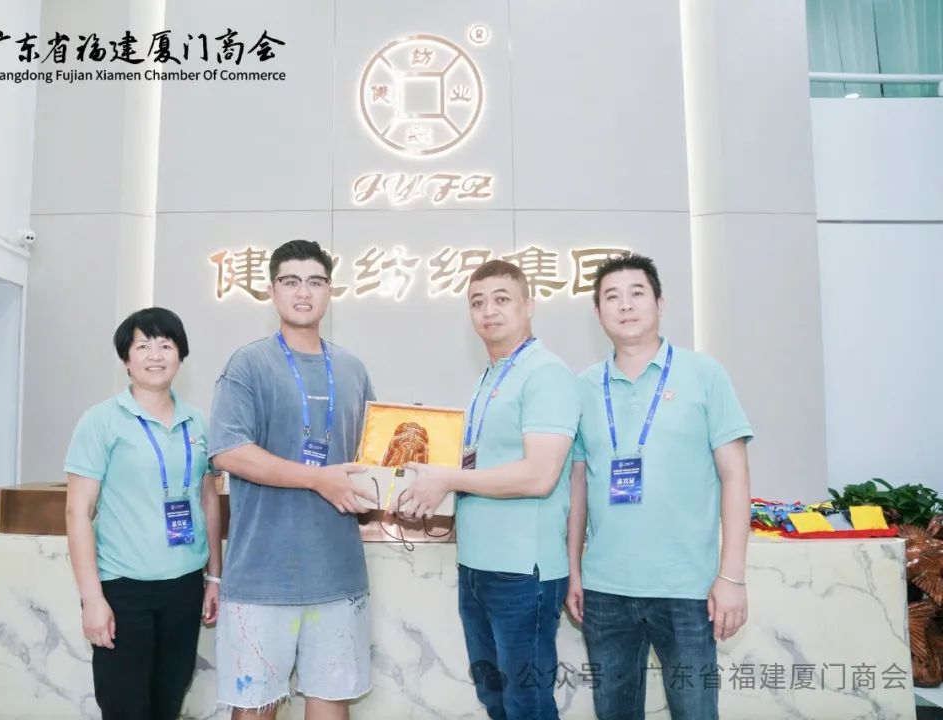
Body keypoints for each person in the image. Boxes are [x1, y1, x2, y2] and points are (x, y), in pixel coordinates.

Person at [565, 253, 753, 720]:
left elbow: (735, 476)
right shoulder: (583, 387)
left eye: (637, 293)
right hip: (605, 590)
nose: (625, 305)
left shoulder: (704, 374)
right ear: (598, 312)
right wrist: (574, 571)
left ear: (660, 303)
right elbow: (579, 485)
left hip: (687, 588)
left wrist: (731, 577)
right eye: (612, 297)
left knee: (695, 711)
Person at [396, 259, 580, 720]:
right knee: (495, 699)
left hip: (522, 572)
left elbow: (539, 475)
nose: (488, 311)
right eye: (477, 302)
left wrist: (447, 479)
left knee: (527, 704)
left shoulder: (546, 374)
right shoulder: (490, 376)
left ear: (528, 305)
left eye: (501, 299)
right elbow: (482, 464)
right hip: (478, 566)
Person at [208, 239, 377, 719]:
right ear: (272, 291)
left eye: (316, 282)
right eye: (291, 281)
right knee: (254, 708)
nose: (304, 292)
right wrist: (317, 479)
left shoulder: (353, 370)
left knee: (331, 705)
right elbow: (228, 451)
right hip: (261, 578)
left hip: (338, 576)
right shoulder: (248, 365)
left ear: (330, 292)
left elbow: (371, 460)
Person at [64, 307, 222, 720]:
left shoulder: (197, 423)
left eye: (166, 345)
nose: (155, 355)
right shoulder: (100, 421)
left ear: (180, 356)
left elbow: (208, 499)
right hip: (123, 588)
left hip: (184, 586)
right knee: (125, 707)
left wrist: (214, 576)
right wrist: (92, 599)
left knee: (168, 702)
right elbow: (78, 512)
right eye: (143, 346)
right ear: (126, 359)